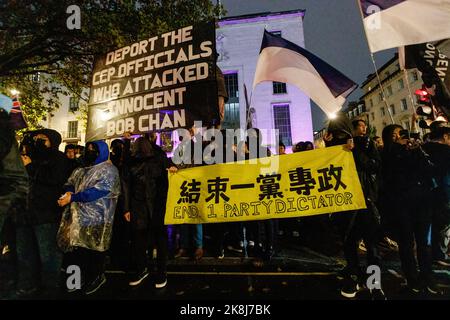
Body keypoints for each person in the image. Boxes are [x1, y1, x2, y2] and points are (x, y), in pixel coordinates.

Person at [57, 140, 120, 295]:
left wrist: (74, 197)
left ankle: (96, 277)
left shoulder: (108, 170)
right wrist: (70, 192)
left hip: (98, 219)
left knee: (94, 251)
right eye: (89, 149)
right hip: (78, 217)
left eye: (94, 149)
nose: (90, 152)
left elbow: (98, 191)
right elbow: (70, 183)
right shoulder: (81, 170)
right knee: (76, 252)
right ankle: (76, 281)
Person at [16, 129, 70, 298]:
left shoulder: (58, 158)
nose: (38, 141)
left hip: (46, 215)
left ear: (52, 141)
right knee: (25, 253)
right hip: (24, 215)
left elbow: (54, 180)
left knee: (48, 256)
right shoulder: (29, 157)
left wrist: (31, 167)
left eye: (43, 139)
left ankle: (50, 287)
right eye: (36, 138)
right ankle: (27, 284)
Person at [124, 137, 169, 289]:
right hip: (141, 206)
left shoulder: (159, 158)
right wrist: (127, 208)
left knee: (157, 240)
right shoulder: (132, 162)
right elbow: (127, 186)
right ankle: (143, 269)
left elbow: (166, 179)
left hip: (156, 206)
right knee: (141, 240)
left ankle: (161, 272)